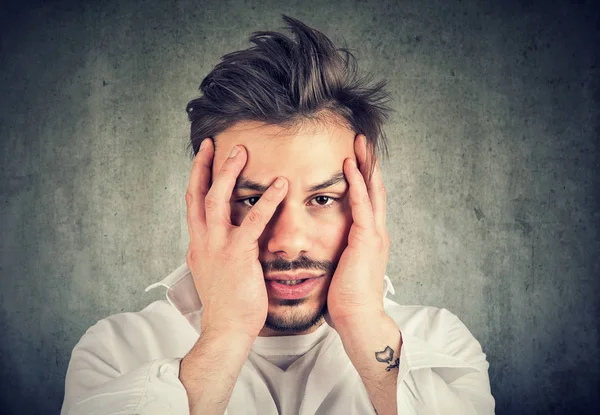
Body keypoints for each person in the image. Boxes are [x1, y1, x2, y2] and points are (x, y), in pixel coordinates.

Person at [61, 15, 495, 415]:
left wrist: (363, 320)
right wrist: (226, 332)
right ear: (203, 202)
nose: (288, 240)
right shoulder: (116, 352)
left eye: (323, 199)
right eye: (253, 200)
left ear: (368, 203)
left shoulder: (441, 343)